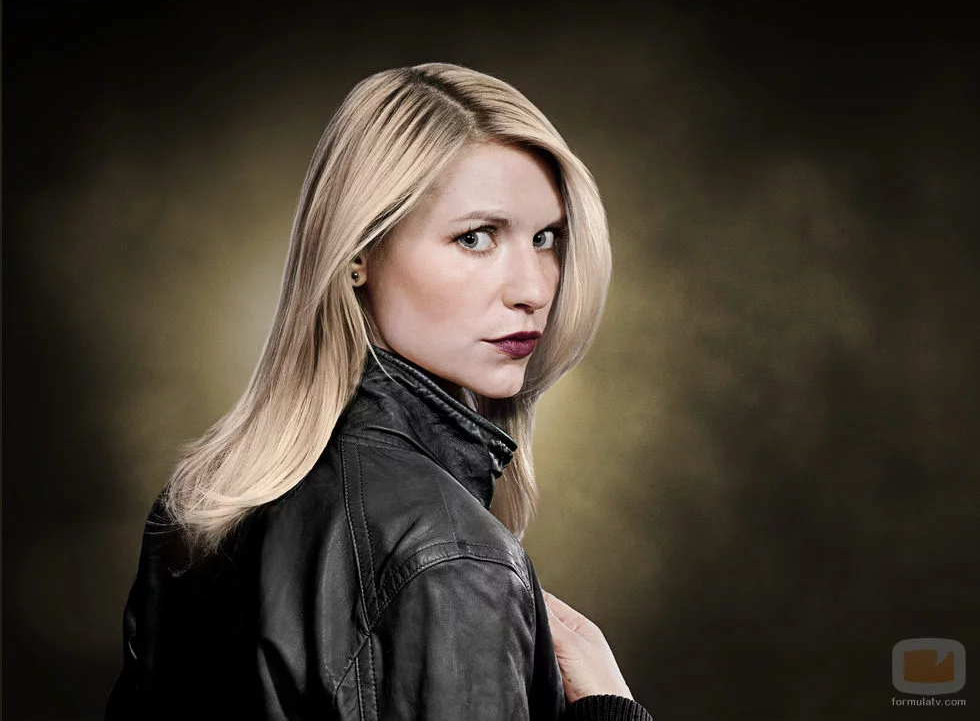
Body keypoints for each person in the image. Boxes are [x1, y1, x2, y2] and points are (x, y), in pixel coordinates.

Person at [105, 62, 653, 720]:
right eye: (476, 237)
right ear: (357, 253)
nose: (533, 289)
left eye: (545, 239)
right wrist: (610, 710)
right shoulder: (450, 558)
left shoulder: (202, 502)